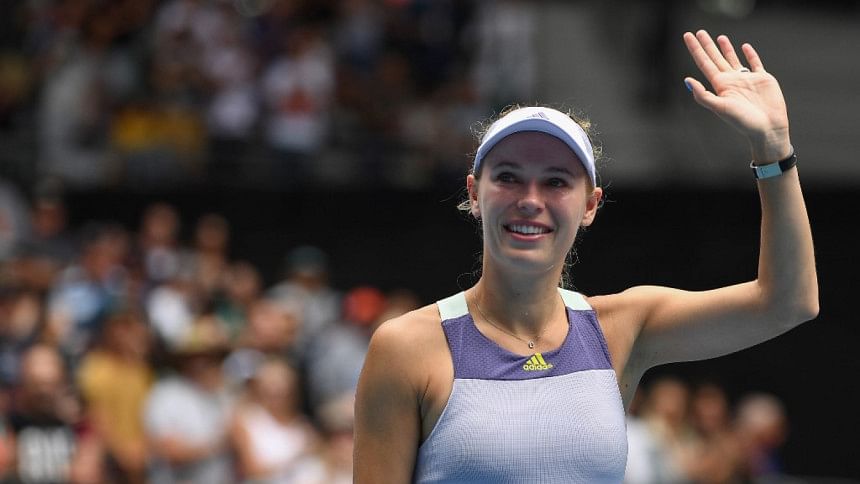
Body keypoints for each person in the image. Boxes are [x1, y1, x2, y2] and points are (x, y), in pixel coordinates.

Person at [354, 30, 818, 483]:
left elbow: (788, 302)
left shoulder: (623, 328)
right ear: (475, 193)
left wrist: (773, 150)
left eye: (556, 182)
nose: (530, 200)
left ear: (590, 205)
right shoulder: (405, 348)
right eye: (509, 177)